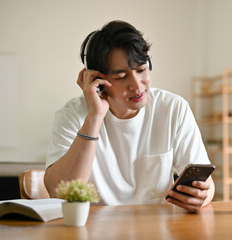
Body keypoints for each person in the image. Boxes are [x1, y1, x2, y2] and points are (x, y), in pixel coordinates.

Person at [44, 20, 214, 212]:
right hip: (94, 230)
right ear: (97, 79)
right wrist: (95, 117)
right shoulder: (72, 115)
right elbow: (59, 193)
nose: (137, 85)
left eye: (141, 70)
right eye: (121, 77)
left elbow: (206, 184)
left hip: (156, 229)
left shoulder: (173, 108)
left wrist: (203, 195)